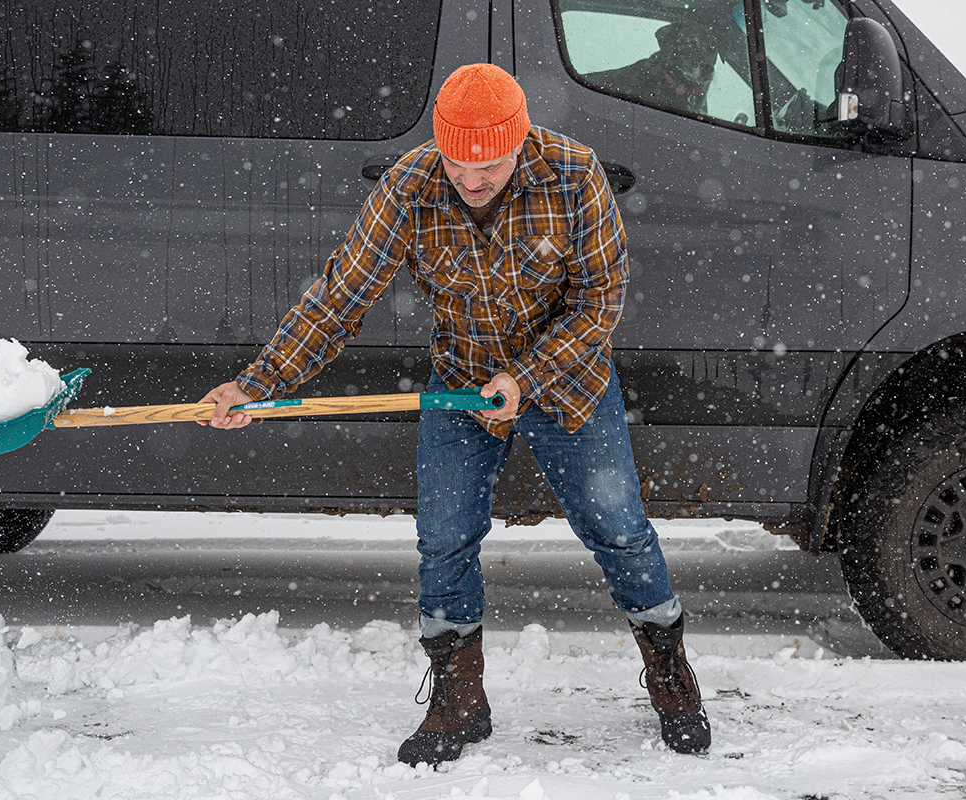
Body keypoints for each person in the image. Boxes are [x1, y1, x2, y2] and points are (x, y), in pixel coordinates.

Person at [199, 63, 710, 766]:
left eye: (490, 165)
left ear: (520, 143)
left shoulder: (573, 174)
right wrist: (258, 383)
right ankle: (459, 699)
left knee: (619, 530)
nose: (472, 180)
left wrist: (526, 375)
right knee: (443, 539)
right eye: (459, 163)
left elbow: (601, 301)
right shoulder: (410, 186)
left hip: (568, 382)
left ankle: (671, 675)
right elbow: (339, 296)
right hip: (461, 382)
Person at [584, 19, 719, 115]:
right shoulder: (647, 85)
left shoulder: (674, 87)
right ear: (671, 49)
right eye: (690, 48)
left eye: (711, 49)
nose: (706, 62)